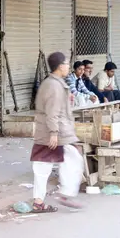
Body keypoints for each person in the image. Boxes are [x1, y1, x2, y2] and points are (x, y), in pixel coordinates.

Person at [31, 52, 83, 212]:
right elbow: (52, 112)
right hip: (54, 133)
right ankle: (64, 194)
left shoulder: (55, 83)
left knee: (44, 166)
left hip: (52, 132)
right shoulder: (54, 85)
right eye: (67, 64)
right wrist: (54, 133)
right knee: (71, 159)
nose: (69, 66)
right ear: (60, 66)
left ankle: (40, 201)